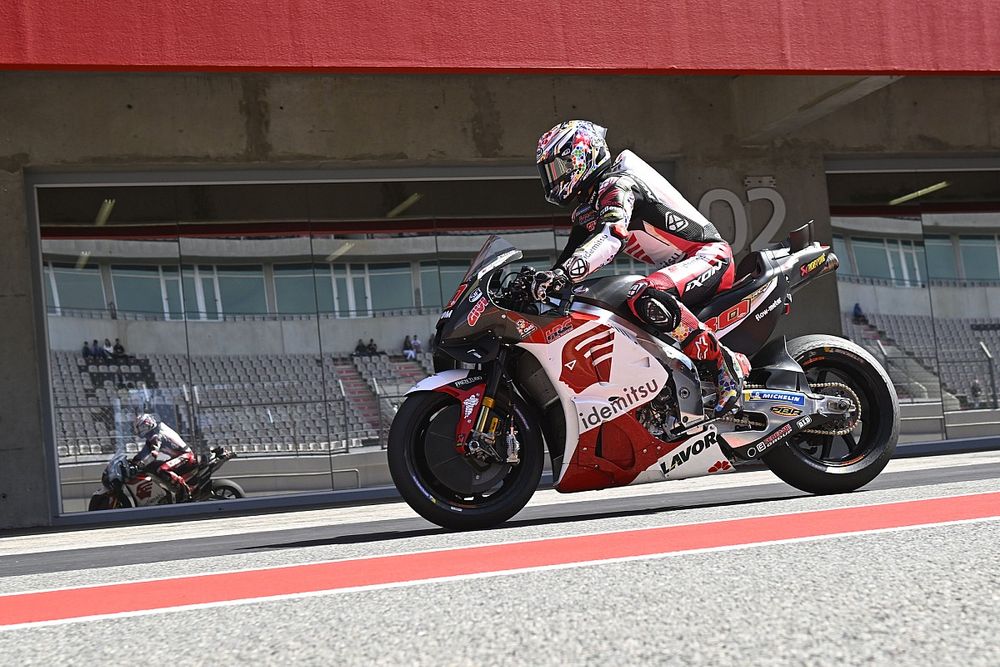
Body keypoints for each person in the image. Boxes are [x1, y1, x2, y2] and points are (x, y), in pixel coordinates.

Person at [532, 120, 749, 415]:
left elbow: (611, 237)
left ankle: (726, 367)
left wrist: (565, 274)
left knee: (643, 293)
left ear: (582, 156)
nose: (554, 178)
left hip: (709, 256)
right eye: (549, 173)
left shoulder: (617, 185)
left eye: (558, 168)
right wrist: (539, 285)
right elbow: (567, 261)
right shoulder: (588, 209)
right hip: (680, 268)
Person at [130, 413, 195, 500]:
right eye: (139, 428)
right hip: (176, 456)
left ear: (148, 423)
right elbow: (144, 452)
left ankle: (184, 491)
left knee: (163, 469)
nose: (140, 430)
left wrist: (142, 463)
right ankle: (166, 493)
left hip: (185, 455)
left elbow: (154, 453)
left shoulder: (157, 434)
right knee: (152, 467)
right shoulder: (152, 435)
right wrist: (132, 462)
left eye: (142, 427)